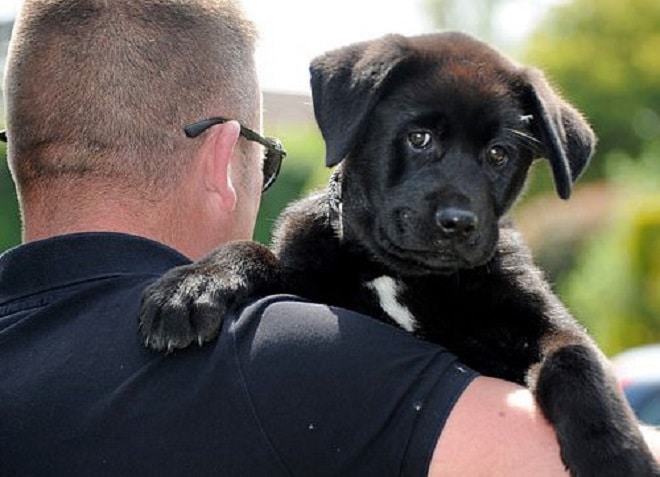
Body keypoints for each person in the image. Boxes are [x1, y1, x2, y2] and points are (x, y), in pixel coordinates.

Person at [0, 1, 657, 476]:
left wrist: (590, 400)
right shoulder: (307, 261)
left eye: (495, 158)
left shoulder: (494, 276)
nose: (458, 204)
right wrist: (237, 264)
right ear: (354, 123)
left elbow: (550, 343)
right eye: (421, 139)